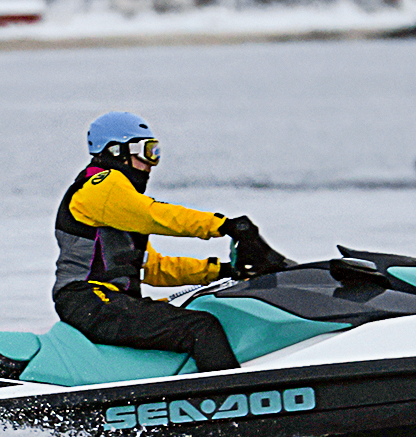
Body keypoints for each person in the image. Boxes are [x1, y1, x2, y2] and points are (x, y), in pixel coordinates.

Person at [52, 112, 289, 373]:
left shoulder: (117, 205)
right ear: (116, 150)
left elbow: (152, 268)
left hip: (108, 301)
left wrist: (223, 271)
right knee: (200, 328)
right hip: (89, 300)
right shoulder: (101, 187)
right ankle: (232, 404)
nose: (151, 164)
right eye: (146, 151)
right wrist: (225, 226)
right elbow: (155, 215)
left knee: (209, 313)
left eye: (156, 152)